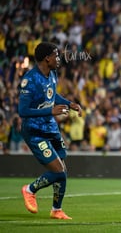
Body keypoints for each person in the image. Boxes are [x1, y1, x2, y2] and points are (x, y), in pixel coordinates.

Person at [18, 42, 82, 220]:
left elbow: (52, 96)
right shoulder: (30, 80)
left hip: (50, 128)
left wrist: (70, 103)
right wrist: (50, 110)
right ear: (47, 58)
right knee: (58, 171)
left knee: (62, 169)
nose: (59, 58)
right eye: (56, 55)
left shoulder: (52, 73)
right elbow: (22, 111)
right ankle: (29, 189)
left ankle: (56, 210)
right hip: (35, 130)